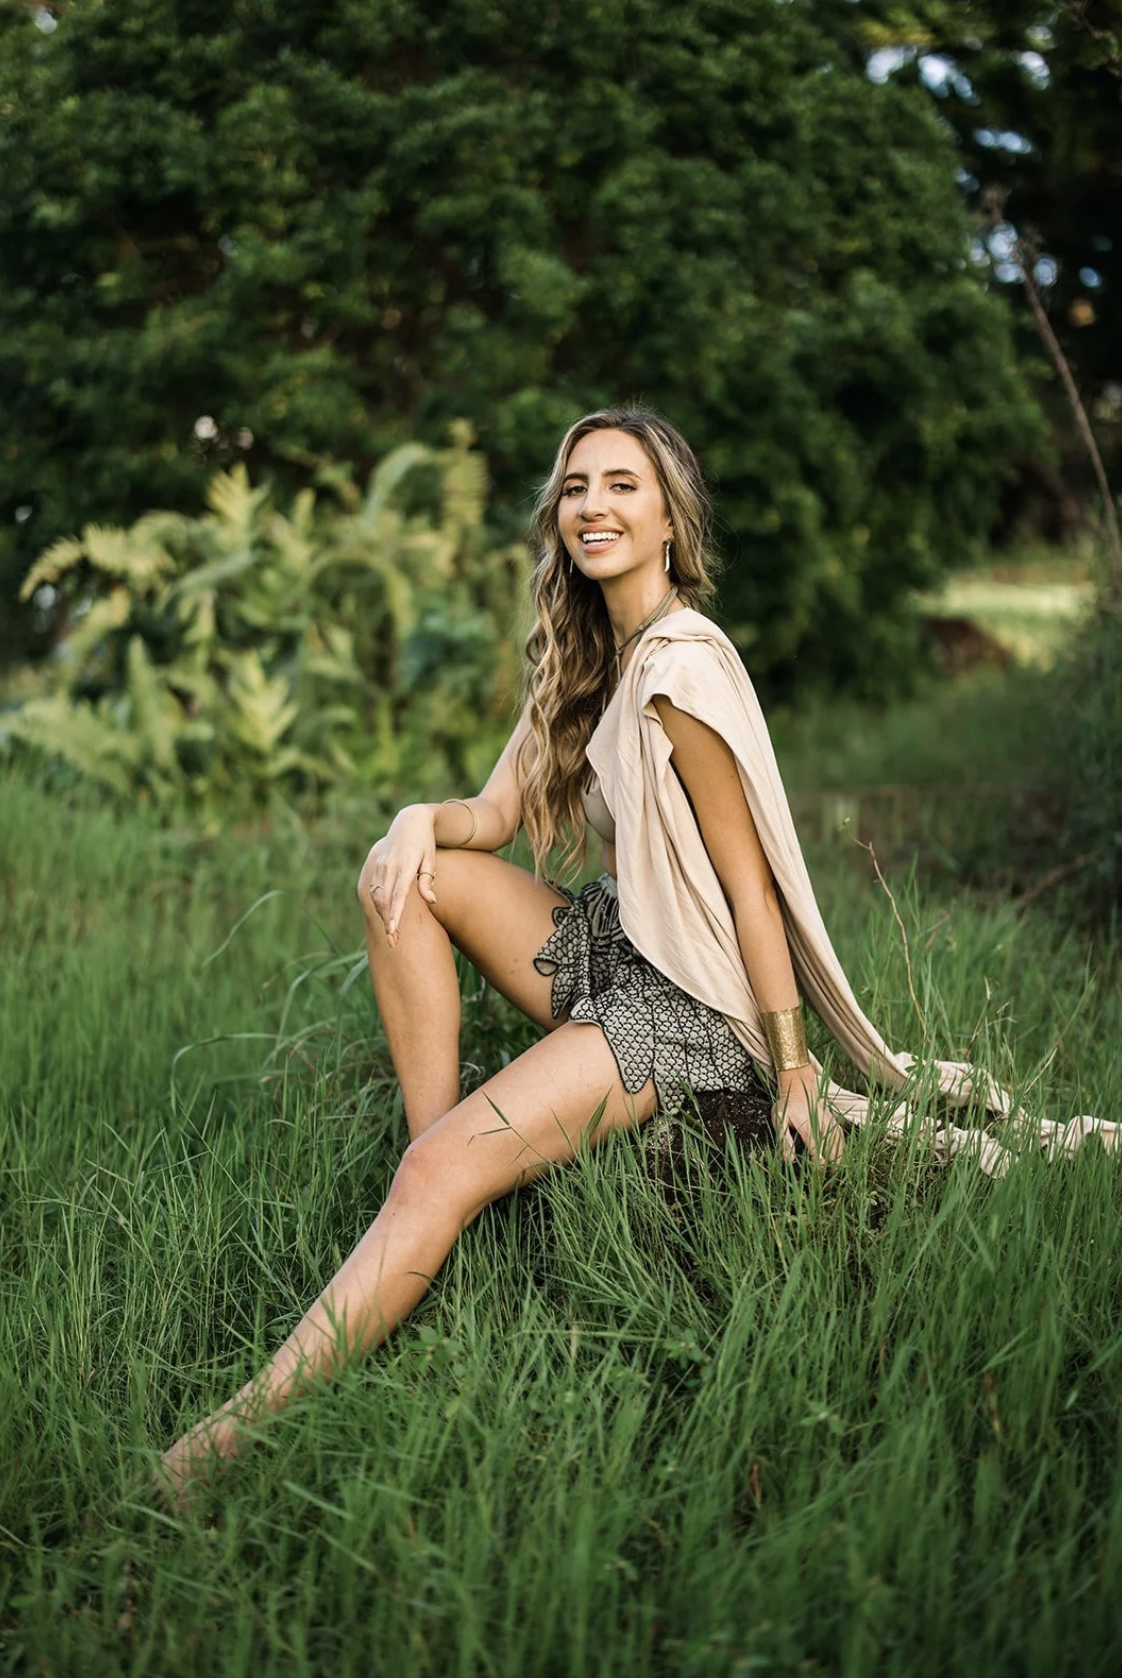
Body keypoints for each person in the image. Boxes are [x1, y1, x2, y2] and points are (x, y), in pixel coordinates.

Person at [157, 405, 1023, 1503]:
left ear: (669, 518)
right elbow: (491, 813)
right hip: (621, 945)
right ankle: (433, 1176)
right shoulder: (586, 652)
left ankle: (223, 1443)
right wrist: (415, 819)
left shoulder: (682, 673)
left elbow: (750, 887)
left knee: (442, 1170)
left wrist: (796, 1066)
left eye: (622, 483)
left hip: (692, 1012)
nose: (593, 505)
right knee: (408, 876)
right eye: (576, 486)